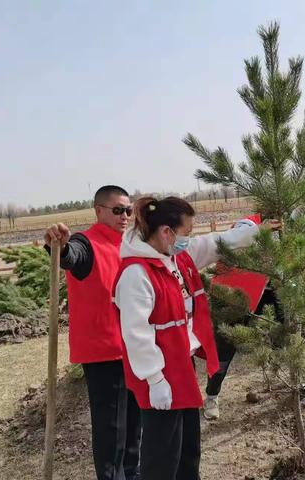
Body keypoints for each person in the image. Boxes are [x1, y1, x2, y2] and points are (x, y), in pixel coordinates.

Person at [113, 196, 280, 480]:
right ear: (167, 232)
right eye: (186, 233)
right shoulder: (137, 274)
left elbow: (215, 242)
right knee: (162, 456)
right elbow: (136, 334)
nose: (189, 239)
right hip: (159, 376)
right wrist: (155, 380)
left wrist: (256, 231)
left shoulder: (175, 257)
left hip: (181, 367)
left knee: (188, 449)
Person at [44, 185, 141, 480]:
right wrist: (58, 246)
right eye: (117, 210)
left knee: (134, 423)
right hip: (104, 352)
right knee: (112, 429)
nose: (124, 216)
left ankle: (132, 473)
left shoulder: (130, 244)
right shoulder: (88, 243)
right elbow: (71, 256)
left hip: (134, 348)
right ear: (99, 211)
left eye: (128, 210)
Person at [203, 216, 283, 421]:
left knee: (276, 346)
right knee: (222, 358)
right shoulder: (224, 260)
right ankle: (212, 397)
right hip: (228, 314)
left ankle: (285, 384)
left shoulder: (263, 257)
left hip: (255, 310)